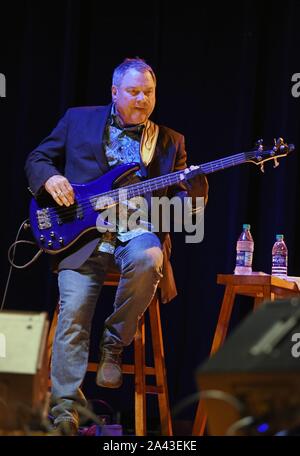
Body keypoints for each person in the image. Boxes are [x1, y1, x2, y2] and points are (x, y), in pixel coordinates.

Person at [25, 58, 208, 435]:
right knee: (73, 311)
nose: (142, 99)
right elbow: (37, 158)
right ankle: (64, 410)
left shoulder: (171, 142)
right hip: (81, 238)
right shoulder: (78, 120)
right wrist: (52, 178)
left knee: (150, 257)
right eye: (134, 91)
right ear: (114, 92)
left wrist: (196, 195)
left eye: (149, 92)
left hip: (135, 232)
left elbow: (182, 214)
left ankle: (113, 344)